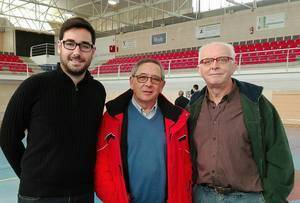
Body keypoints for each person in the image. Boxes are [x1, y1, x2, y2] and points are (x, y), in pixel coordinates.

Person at [0, 17, 106, 203]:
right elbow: (8, 136)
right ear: (59, 47)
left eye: (84, 46)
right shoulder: (34, 85)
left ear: (93, 51)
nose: (77, 52)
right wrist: (29, 176)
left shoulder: (98, 91)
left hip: (83, 194)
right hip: (38, 195)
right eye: (70, 44)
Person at [188, 42, 294, 203]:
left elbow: (279, 154)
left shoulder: (257, 104)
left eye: (222, 59)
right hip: (202, 196)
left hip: (248, 198)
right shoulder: (192, 108)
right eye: (207, 61)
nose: (214, 66)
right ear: (199, 69)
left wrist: (271, 197)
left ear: (234, 65)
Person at [94, 58, 192, 203]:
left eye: (155, 79)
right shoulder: (110, 118)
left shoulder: (178, 120)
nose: (148, 83)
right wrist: (115, 199)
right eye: (142, 78)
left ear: (162, 85)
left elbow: (185, 167)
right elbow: (102, 167)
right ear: (131, 82)